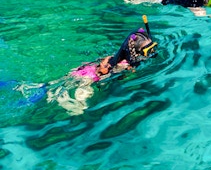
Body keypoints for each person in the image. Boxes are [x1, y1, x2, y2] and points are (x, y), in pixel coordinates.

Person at [16, 20, 158, 115]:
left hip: (85, 70)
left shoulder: (118, 56)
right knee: (78, 108)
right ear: (136, 51)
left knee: (53, 85)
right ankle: (34, 98)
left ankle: (27, 88)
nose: (151, 52)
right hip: (88, 78)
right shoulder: (126, 64)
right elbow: (114, 75)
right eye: (148, 50)